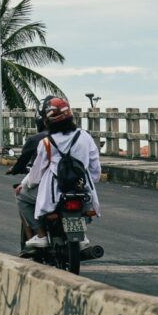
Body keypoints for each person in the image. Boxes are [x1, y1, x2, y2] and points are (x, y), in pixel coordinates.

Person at [16, 97, 101, 249]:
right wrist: (91, 181)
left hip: (54, 193)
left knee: (22, 197)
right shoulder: (84, 136)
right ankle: (82, 235)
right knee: (85, 208)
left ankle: (41, 235)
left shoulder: (47, 143)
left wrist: (25, 185)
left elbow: (36, 174)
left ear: (47, 122)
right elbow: (95, 167)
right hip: (81, 188)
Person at [7, 100, 51, 254]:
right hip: (76, 188)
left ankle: (39, 235)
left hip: (49, 188)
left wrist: (19, 175)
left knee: (21, 196)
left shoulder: (40, 140)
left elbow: (35, 171)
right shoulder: (80, 137)